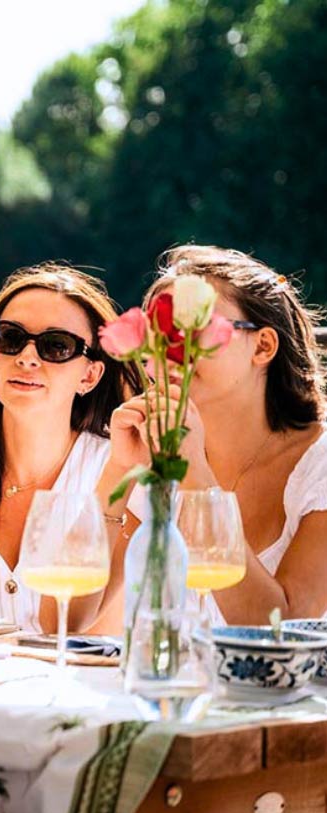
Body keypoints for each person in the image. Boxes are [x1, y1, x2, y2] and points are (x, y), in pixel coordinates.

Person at [0, 263, 142, 633]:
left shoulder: (124, 474)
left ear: (90, 375)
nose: (26, 357)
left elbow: (80, 630)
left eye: (56, 346)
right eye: (8, 337)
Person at [112, 245, 327, 625]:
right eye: (157, 335)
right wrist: (117, 467)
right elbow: (67, 617)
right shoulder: (157, 463)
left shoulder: (319, 464)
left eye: (191, 328)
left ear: (263, 346)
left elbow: (283, 628)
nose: (169, 352)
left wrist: (196, 473)